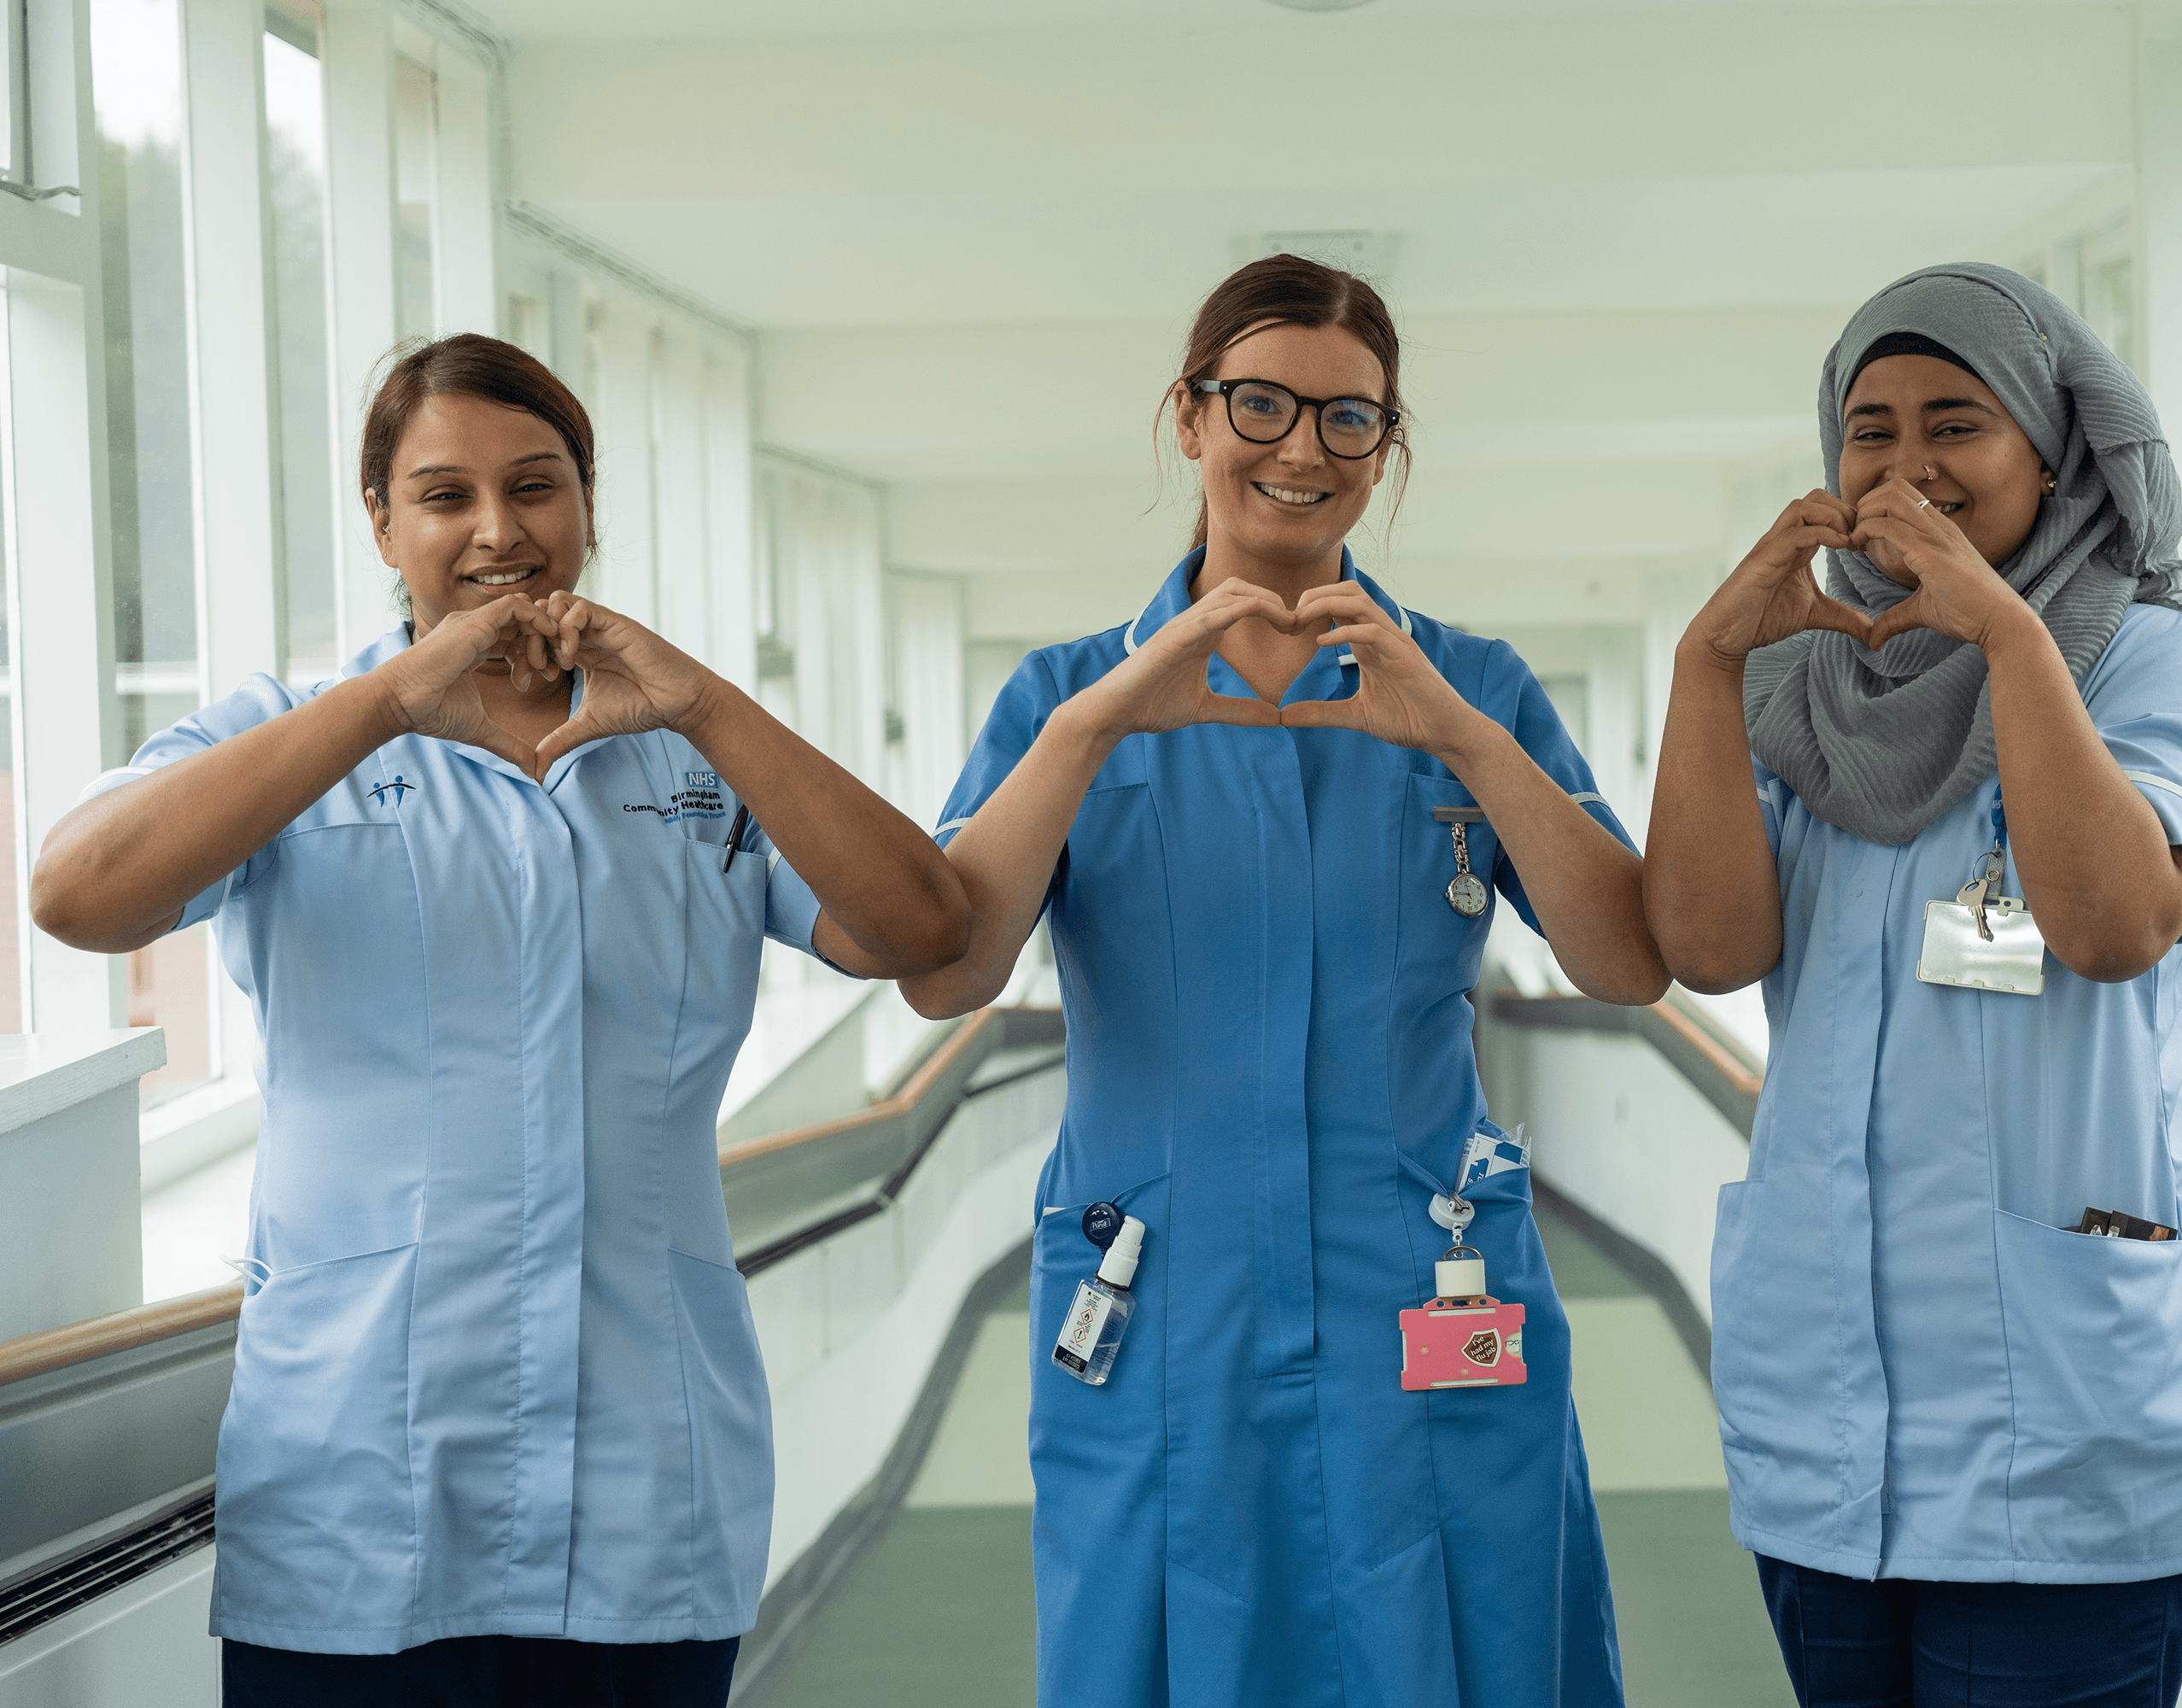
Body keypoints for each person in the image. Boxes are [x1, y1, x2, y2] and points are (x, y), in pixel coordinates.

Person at [31, 334, 969, 1706]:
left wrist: (707, 705)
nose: (497, 533)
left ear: (585, 506)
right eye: (444, 496)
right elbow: (77, 895)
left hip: (646, 1476)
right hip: (354, 1477)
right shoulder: (295, 733)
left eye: (536, 487)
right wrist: (384, 707)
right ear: (381, 521)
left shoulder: (692, 758)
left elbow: (921, 929)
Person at [901, 254, 1667, 1707]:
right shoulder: (1065, 697)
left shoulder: (1471, 684)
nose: (1303, 449)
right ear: (1186, 419)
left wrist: (1464, 742)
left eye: (1350, 419)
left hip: (1431, 1288)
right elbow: (948, 973)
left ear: (1388, 450)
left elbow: (1628, 959)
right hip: (1166, 1301)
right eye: (1261, 402)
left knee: (1473, 1640)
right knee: (1167, 1645)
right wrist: (1085, 738)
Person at [1643, 263, 2182, 1707]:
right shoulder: (1805, 688)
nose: (1906, 465)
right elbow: (1711, 948)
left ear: (2050, 448)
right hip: (1825, 1433)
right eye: (1870, 430)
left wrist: (2008, 634)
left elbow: (2111, 923)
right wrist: (1711, 660)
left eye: (1956, 424)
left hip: (2066, 1433)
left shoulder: (2148, 661)